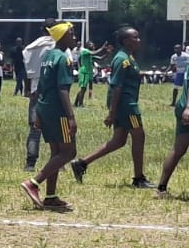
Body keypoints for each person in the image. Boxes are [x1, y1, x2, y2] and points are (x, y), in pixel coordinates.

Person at [71, 28, 150, 189]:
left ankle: (82, 163)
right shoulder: (122, 59)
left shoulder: (128, 57)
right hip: (126, 106)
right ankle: (139, 178)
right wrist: (112, 113)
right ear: (125, 41)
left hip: (125, 104)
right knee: (139, 136)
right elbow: (116, 87)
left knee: (118, 141)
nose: (139, 40)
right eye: (135, 37)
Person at [20, 22, 80, 211]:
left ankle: (51, 196)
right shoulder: (63, 58)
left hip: (45, 108)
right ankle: (33, 183)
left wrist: (38, 112)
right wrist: (71, 117)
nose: (75, 37)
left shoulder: (48, 56)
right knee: (69, 152)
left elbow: (42, 86)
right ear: (62, 36)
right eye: (71, 33)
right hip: (58, 111)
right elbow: (63, 89)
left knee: (56, 153)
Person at [22, 21, 58, 172]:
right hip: (52, 90)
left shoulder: (30, 48)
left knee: (34, 129)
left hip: (35, 89)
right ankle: (57, 161)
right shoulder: (56, 45)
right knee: (56, 127)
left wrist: (27, 89)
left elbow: (26, 71)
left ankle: (30, 163)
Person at [155, 74, 189, 199]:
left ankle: (161, 188)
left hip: (183, 106)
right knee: (178, 149)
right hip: (186, 107)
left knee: (179, 149)